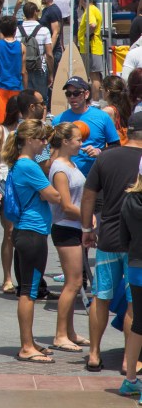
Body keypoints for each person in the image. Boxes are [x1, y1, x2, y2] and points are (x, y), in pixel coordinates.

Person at [82, 112, 142, 373]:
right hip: (136, 241)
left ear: (126, 132)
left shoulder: (106, 157)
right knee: (133, 302)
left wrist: (86, 228)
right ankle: (130, 360)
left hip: (107, 236)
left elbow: (88, 195)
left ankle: (94, 354)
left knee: (101, 296)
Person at [1, 119, 60, 364]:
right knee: (29, 292)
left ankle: (29, 341)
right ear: (28, 140)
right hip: (32, 234)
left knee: (29, 289)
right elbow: (54, 196)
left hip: (28, 233)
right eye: (40, 139)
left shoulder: (23, 164)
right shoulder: (29, 166)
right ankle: (26, 346)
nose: (44, 143)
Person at [46, 122, 90, 352]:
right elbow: (65, 205)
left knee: (76, 282)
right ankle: (60, 334)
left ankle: (70, 331)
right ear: (65, 141)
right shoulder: (60, 168)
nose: (81, 144)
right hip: (66, 228)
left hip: (74, 227)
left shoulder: (70, 163)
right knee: (72, 283)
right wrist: (88, 216)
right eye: (77, 139)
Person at [52, 76, 120, 176]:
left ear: (86, 94)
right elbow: (53, 149)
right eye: (68, 94)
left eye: (76, 93)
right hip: (67, 176)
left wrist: (99, 151)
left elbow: (116, 145)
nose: (72, 97)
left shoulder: (102, 117)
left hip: (94, 176)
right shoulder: (58, 120)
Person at [0, 96, 20, 292]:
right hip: (4, 182)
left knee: (22, 232)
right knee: (9, 232)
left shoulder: (29, 129)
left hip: (22, 182)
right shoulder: (1, 130)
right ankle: (7, 278)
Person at [119, 155, 142, 397]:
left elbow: (123, 238)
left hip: (135, 266)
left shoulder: (129, 199)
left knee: (139, 323)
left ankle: (130, 379)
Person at [15, 2, 54, 109]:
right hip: (39, 68)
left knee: (26, 101)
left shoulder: (17, 30)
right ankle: (41, 122)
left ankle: (29, 122)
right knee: (42, 99)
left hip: (23, 69)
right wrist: (51, 73)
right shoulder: (44, 30)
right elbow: (49, 54)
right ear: (35, 12)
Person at [0, 16, 26, 125]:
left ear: (1, 30)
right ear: (15, 30)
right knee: (15, 118)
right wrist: (25, 88)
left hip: (1, 85)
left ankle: (2, 139)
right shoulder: (22, 46)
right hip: (16, 85)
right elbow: (24, 71)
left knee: (1, 119)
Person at [78, 0, 104, 101]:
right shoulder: (93, 9)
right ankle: (95, 100)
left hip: (91, 47)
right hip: (92, 47)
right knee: (95, 75)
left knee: (94, 76)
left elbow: (92, 25)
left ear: (83, 0)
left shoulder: (90, 10)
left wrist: (86, 35)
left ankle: (95, 101)